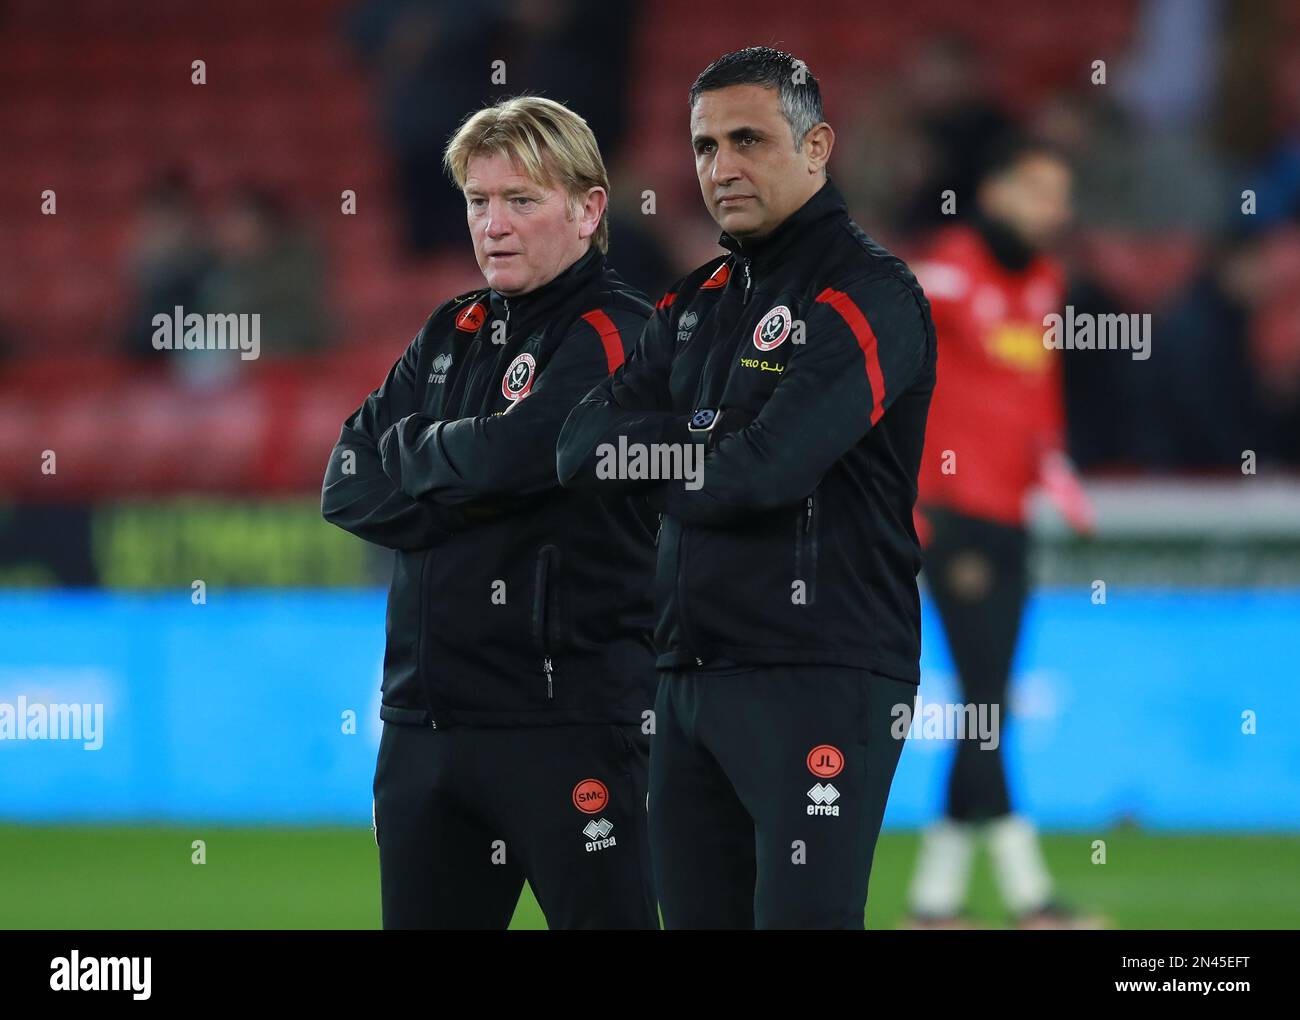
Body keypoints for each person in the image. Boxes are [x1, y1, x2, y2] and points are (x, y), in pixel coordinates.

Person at [558, 47, 937, 929]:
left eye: (748, 140)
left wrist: (662, 455)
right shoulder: (696, 303)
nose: (720, 167)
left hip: (820, 674)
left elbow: (766, 473)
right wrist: (707, 450)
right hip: (686, 678)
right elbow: (580, 449)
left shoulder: (869, 294)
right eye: (703, 146)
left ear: (817, 148)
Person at [321, 96, 658, 929]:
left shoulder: (621, 335)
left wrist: (434, 463)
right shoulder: (451, 330)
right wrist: (483, 487)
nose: (493, 225)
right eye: (478, 201)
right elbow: (348, 481)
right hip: (423, 730)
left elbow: (528, 452)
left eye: (522, 200)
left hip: (569, 725)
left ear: (588, 210)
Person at [905, 137, 1104, 929]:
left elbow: (1037, 397)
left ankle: (933, 903)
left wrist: (1056, 471)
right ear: (994, 194)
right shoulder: (946, 275)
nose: (1050, 211)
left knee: (988, 705)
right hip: (950, 518)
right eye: (1035, 192)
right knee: (987, 701)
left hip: (1012, 516)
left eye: (1060, 196)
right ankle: (1031, 899)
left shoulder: (1047, 285)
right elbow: (884, 376)